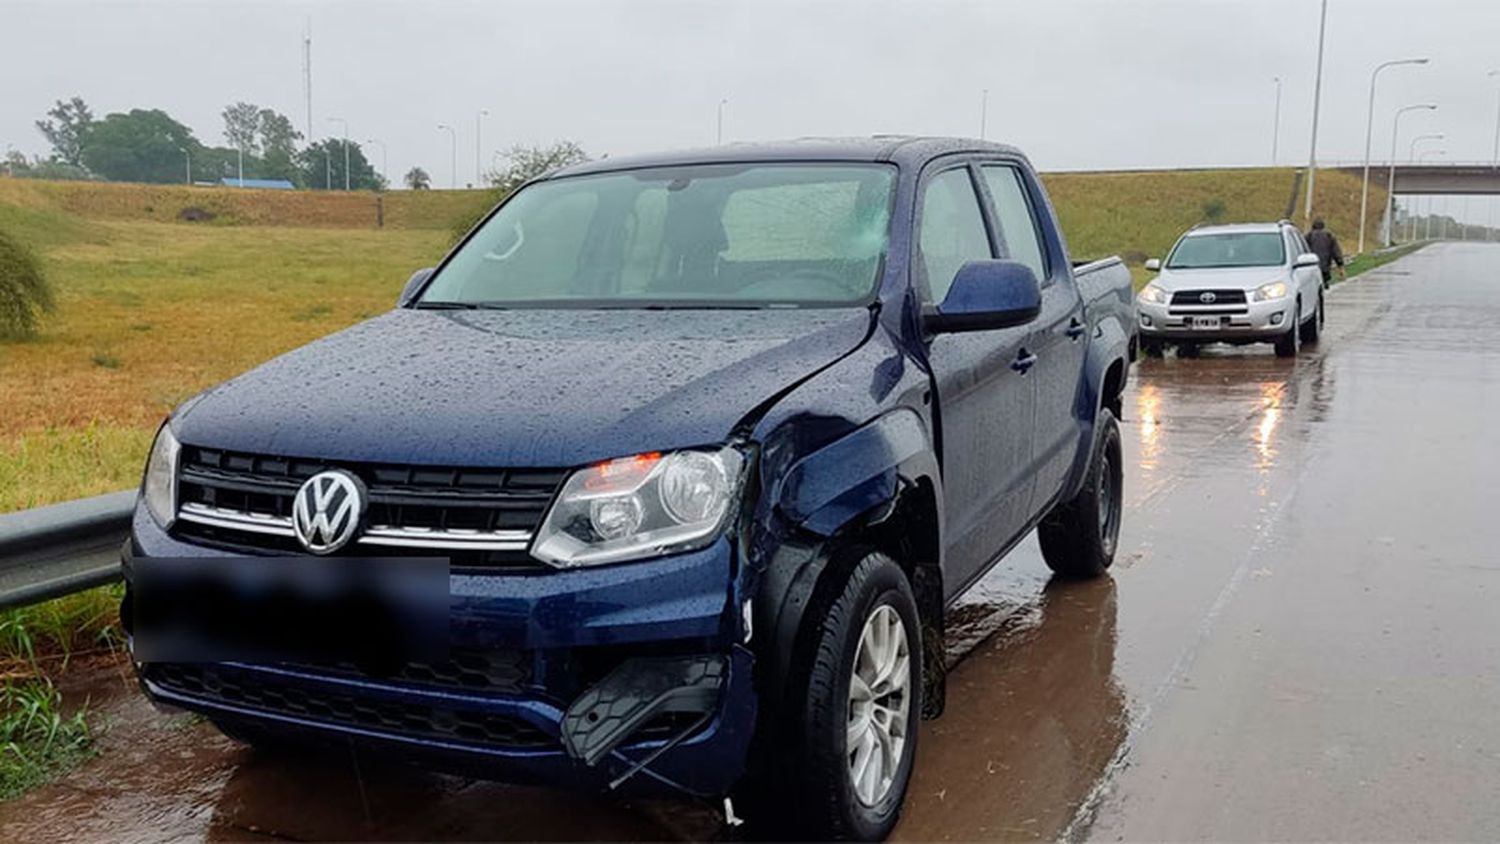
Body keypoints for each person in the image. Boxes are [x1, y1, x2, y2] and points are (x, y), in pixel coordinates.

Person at [1305, 218, 1345, 285]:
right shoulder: (1329, 236)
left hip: (1311, 268)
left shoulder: (1308, 236)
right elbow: (1336, 252)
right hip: (1325, 268)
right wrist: (1340, 267)